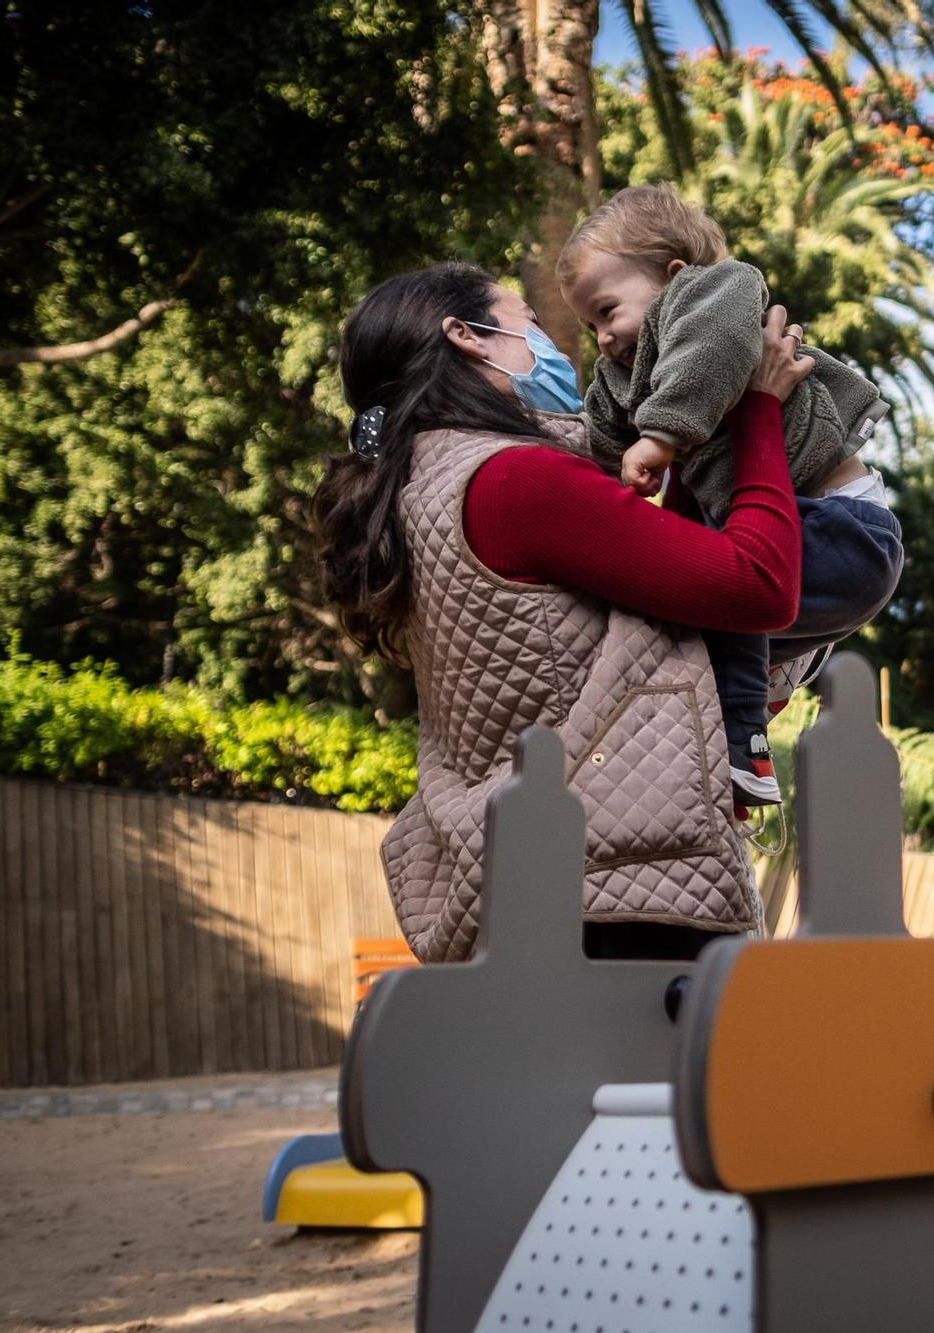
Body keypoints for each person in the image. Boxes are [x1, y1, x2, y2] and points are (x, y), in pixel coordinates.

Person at [312, 261, 814, 964]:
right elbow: (757, 582)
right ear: (467, 337)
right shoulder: (514, 479)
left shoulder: (415, 494)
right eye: (533, 326)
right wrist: (757, 407)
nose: (553, 347)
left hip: (527, 876)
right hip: (621, 885)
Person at [556, 184, 904, 809]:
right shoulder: (625, 369)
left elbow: (710, 354)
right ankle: (748, 731)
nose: (603, 339)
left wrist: (659, 439)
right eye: (590, 326)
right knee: (699, 614)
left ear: (673, 277)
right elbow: (599, 433)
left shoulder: (717, 294)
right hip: (805, 552)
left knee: (720, 581)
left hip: (842, 527)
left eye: (607, 312)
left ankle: (747, 737)